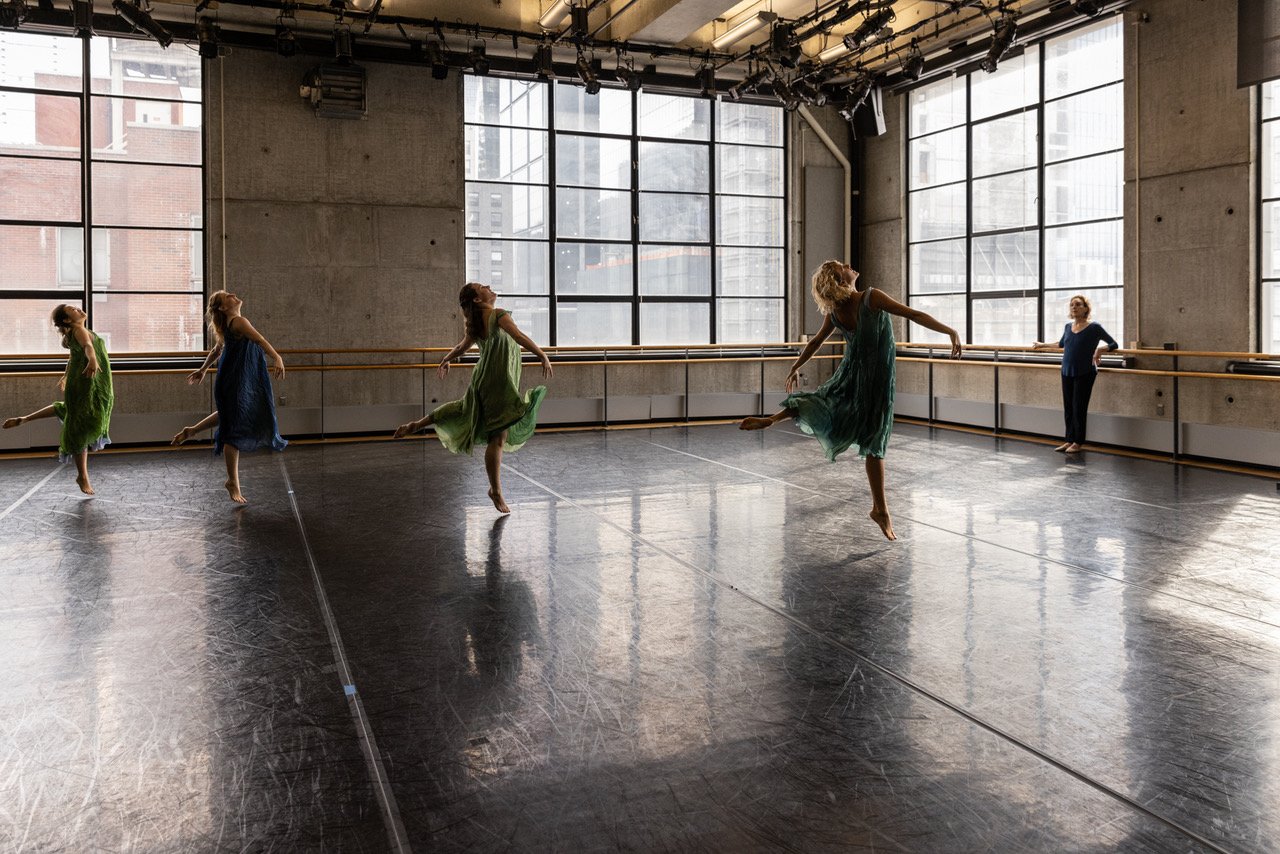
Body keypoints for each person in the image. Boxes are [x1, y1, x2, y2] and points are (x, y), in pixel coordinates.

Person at [739, 261, 961, 541]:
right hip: (877, 382)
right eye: (841, 266)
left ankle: (773, 419)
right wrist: (950, 331)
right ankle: (880, 509)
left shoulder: (836, 312)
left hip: (851, 375)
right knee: (875, 440)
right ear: (841, 280)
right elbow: (914, 314)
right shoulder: (871, 297)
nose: (848, 264)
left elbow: (816, 342)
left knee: (824, 401)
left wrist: (796, 366)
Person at [394, 283, 553, 514]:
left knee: (465, 410)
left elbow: (461, 346)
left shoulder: (477, 324)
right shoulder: (499, 315)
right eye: (482, 287)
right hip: (498, 382)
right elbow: (517, 336)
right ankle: (495, 490)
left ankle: (417, 424)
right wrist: (542, 354)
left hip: (483, 379)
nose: (488, 286)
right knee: (497, 437)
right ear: (478, 300)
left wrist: (446, 359)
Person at [171, 290, 287, 503]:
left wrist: (203, 369)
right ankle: (232, 480)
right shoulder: (239, 322)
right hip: (235, 379)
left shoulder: (230, 325)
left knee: (232, 414)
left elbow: (216, 350)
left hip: (239, 377)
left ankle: (193, 430)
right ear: (223, 308)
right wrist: (277, 357)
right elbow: (260, 341)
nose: (233, 295)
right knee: (233, 425)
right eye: (228, 296)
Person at [2, 305, 113, 495]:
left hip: (87, 380)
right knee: (80, 422)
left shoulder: (75, 332)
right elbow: (87, 346)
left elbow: (73, 357)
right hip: (87, 382)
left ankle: (26, 419)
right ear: (67, 320)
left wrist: (65, 375)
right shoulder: (80, 330)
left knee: (73, 411)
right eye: (72, 309)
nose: (78, 309)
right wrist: (93, 359)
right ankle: (82, 475)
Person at [1031, 294, 1118, 454]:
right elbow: (1061, 343)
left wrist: (1100, 349)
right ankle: (1069, 440)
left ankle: (1078, 442)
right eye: (1072, 305)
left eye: (1078, 304)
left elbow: (1113, 343)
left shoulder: (1094, 327)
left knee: (1079, 407)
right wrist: (1043, 344)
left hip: (1085, 372)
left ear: (1085, 308)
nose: (1074, 307)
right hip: (1067, 371)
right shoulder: (1067, 326)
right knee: (1069, 407)